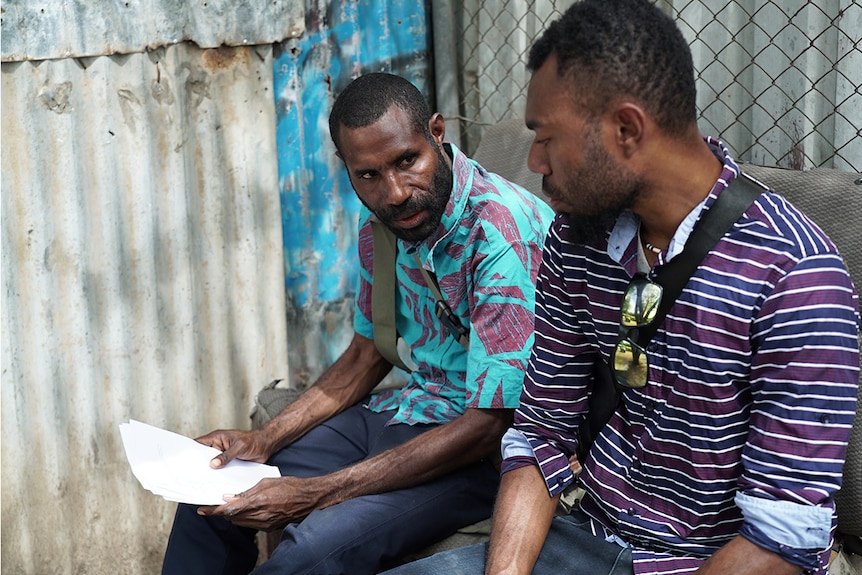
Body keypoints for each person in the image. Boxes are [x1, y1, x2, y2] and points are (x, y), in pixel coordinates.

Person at [381, 1, 860, 574]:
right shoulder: (578, 236)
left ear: (627, 130)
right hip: (588, 537)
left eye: (547, 139)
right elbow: (538, 436)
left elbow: (783, 540)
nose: (534, 162)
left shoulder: (796, 276)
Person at [161, 72, 555, 575]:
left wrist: (316, 494)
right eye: (368, 174)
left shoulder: (499, 234)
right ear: (346, 169)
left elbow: (489, 424)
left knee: (309, 552)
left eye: (407, 161)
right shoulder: (385, 230)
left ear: (437, 132)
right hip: (407, 412)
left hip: (482, 453)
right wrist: (264, 439)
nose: (394, 192)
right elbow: (366, 354)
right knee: (211, 491)